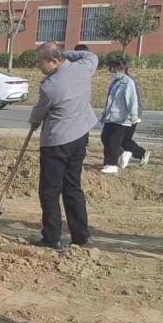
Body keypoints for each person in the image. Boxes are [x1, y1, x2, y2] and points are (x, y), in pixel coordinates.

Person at [29, 42, 98, 251]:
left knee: (49, 191)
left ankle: (52, 238)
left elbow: (40, 112)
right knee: (72, 187)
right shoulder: (83, 68)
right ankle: (81, 236)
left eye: (41, 61)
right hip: (79, 138)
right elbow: (91, 55)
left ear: (53, 61)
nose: (39, 66)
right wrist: (64, 53)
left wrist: (34, 122)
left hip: (57, 142)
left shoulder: (50, 86)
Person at [99, 59, 149, 174]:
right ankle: (110, 162)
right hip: (111, 117)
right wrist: (105, 114)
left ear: (122, 69)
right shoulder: (115, 82)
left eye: (114, 69)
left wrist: (134, 115)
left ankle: (112, 164)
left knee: (114, 141)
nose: (112, 71)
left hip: (122, 118)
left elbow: (132, 101)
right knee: (105, 138)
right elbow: (110, 101)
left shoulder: (128, 82)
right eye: (111, 69)